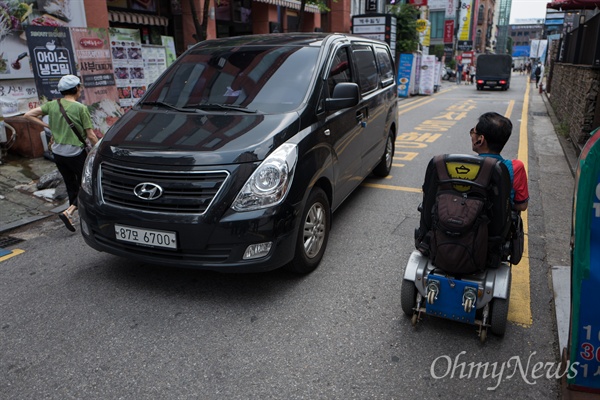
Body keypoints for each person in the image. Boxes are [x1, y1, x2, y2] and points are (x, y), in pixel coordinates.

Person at [24, 74, 99, 231]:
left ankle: (74, 216)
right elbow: (91, 135)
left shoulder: (53, 104)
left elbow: (28, 115)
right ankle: (70, 211)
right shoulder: (80, 108)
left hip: (58, 153)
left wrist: (49, 127)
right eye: (80, 86)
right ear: (77, 88)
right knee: (87, 184)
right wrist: (100, 149)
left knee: (70, 184)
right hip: (75, 153)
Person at [469, 112, 529, 211]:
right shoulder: (515, 167)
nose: (471, 135)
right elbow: (522, 206)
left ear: (480, 139)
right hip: (498, 225)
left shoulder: (463, 164)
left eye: (473, 132)